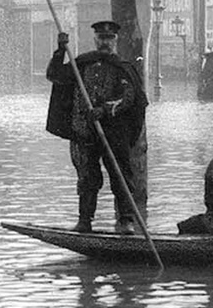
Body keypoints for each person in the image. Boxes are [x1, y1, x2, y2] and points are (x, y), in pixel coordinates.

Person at [46, 20, 148, 234]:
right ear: (95, 39)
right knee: (87, 177)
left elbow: (130, 97)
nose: (106, 43)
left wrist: (104, 110)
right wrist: (60, 51)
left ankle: (126, 221)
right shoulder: (82, 64)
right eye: (102, 38)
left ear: (116, 41)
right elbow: (54, 76)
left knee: (120, 175)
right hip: (85, 132)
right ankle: (85, 221)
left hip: (114, 133)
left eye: (110, 39)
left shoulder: (123, 68)